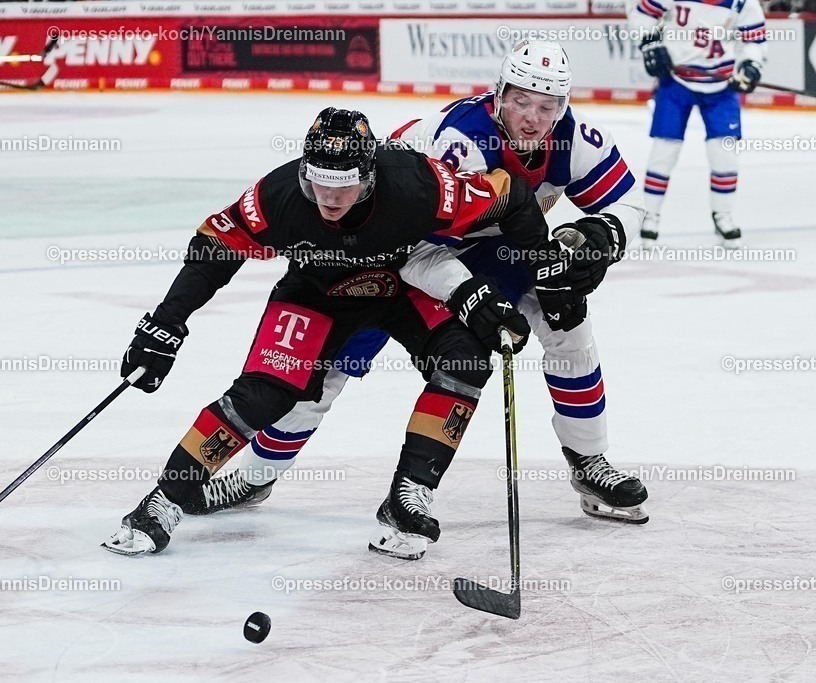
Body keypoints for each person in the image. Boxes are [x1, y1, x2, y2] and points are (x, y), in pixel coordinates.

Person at [190, 41, 651, 540]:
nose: (532, 119)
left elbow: (631, 204)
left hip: (504, 247)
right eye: (520, 101)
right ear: (498, 95)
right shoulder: (458, 143)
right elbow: (412, 250)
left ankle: (587, 462)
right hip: (395, 253)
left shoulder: (574, 138)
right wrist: (470, 295)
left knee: (569, 327)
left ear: (562, 107)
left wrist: (601, 238)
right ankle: (255, 476)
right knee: (326, 368)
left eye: (547, 106)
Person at [103, 107, 561, 559]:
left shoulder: (418, 183)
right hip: (315, 294)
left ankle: (409, 498)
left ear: (371, 175)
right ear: (304, 171)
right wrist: (166, 322)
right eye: (318, 181)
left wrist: (539, 270)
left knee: (464, 361)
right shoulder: (279, 193)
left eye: (345, 185)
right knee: (264, 395)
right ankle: (164, 500)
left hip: (401, 285)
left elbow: (511, 195)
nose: (329, 199)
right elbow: (215, 245)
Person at [629, 0, 768, 246]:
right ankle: (650, 215)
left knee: (724, 153)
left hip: (722, 87)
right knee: (664, 150)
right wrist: (650, 42)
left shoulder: (743, 3)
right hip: (676, 82)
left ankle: (723, 214)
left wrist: (751, 65)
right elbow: (642, 14)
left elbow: (753, 40)